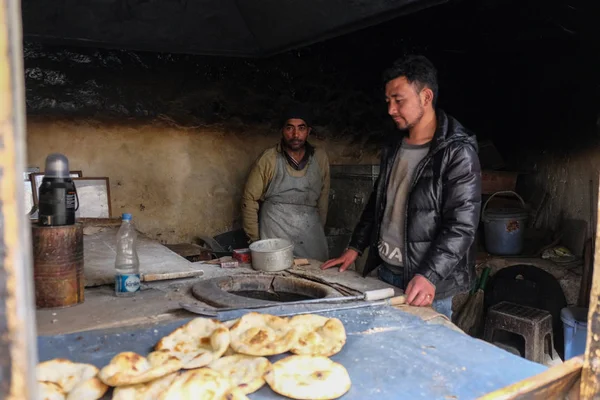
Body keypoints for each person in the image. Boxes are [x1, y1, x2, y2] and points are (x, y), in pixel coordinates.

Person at [321, 55, 481, 319]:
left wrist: (428, 275)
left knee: (426, 355)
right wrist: (355, 247)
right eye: (388, 101)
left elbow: (461, 226)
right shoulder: (394, 144)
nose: (391, 110)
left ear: (426, 97)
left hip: (426, 286)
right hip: (386, 271)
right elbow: (380, 200)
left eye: (399, 100)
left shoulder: (456, 152)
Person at [242, 105, 330, 261]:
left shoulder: (320, 158)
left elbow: (323, 198)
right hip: (275, 231)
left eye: (301, 128)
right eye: (290, 128)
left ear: (308, 131)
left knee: (316, 276)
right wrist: (256, 242)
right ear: (282, 130)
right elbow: (249, 199)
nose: (295, 134)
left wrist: (318, 229)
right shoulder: (269, 158)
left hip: (310, 233)